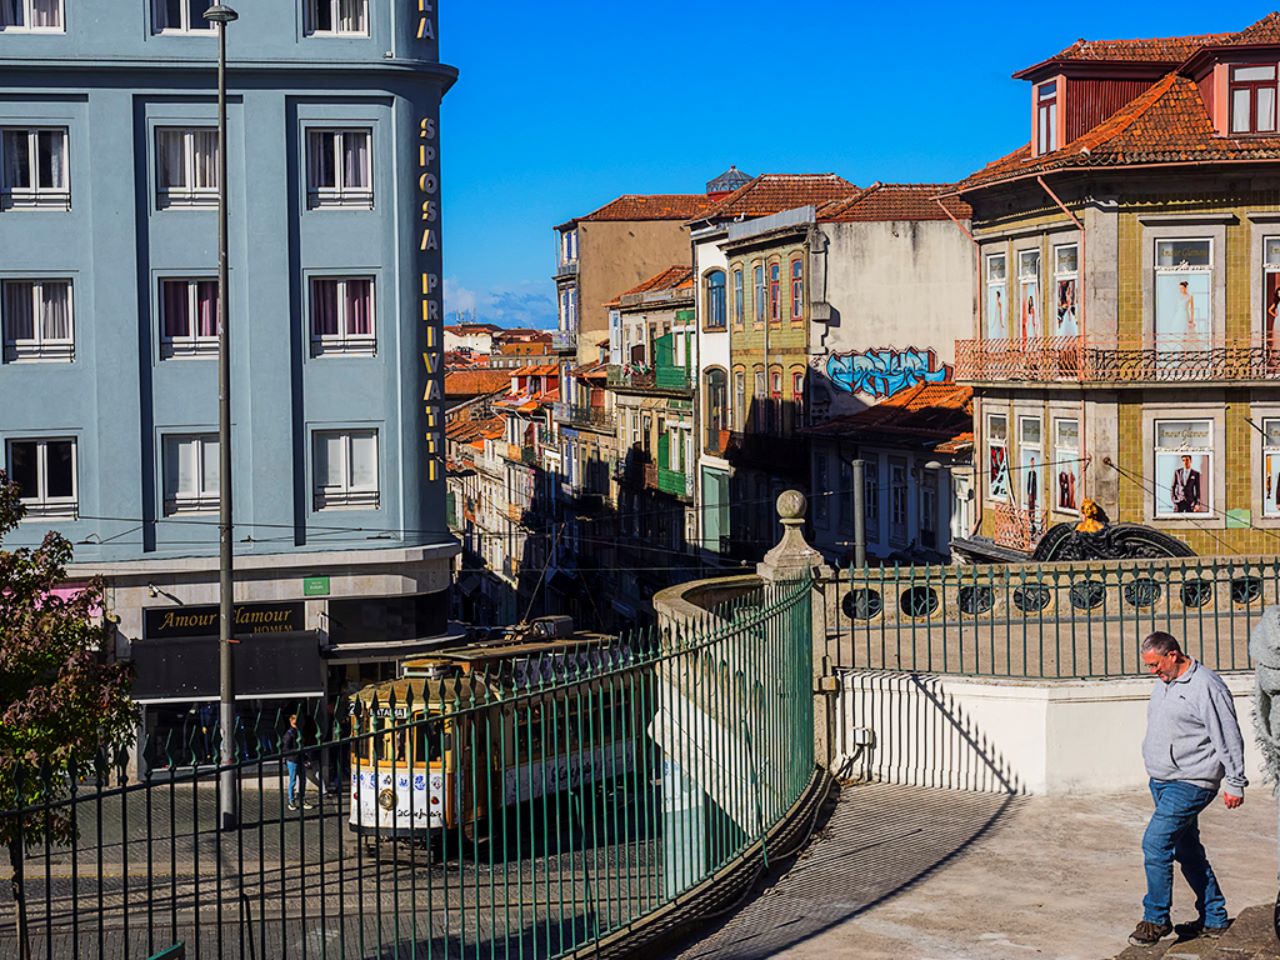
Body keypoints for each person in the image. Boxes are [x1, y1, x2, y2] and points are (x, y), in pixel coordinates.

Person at [1128, 632, 1246, 947]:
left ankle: (1155, 919)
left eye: (1155, 664)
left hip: (1193, 781)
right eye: (1148, 665)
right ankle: (1214, 917)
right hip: (1162, 780)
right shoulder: (1164, 682)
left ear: (1174, 654)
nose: (1152, 671)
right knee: (1187, 850)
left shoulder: (1207, 686)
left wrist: (1235, 780)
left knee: (1155, 842)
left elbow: (1228, 734)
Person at [281, 714, 315, 812]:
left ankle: (302, 798)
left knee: (302, 780)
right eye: (296, 722)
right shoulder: (289, 734)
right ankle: (291, 800)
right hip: (292, 760)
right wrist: (296, 752)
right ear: (291, 722)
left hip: (299, 759)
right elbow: (285, 749)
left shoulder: (299, 732)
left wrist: (305, 758)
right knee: (293, 780)